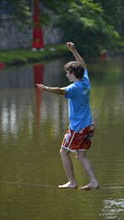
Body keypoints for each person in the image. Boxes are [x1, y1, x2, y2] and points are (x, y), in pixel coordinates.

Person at [36, 42, 99, 190]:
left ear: (73, 74)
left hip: (78, 128)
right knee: (81, 156)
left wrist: (46, 89)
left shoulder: (74, 88)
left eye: (67, 72)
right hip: (89, 125)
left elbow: (60, 90)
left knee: (63, 152)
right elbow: (82, 65)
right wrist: (74, 51)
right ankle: (94, 181)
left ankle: (72, 182)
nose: (66, 74)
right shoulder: (85, 80)